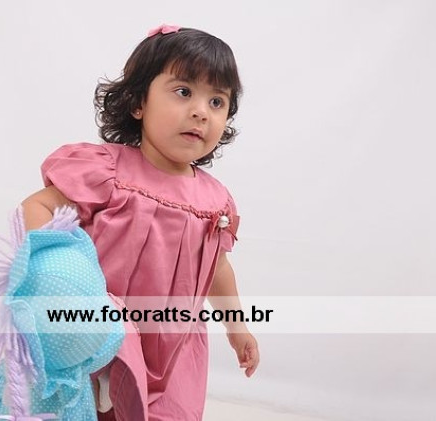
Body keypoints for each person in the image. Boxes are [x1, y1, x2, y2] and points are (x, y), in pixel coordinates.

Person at [21, 24, 259, 421]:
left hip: (174, 349)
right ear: (138, 103)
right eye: (183, 92)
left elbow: (216, 268)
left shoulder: (215, 202)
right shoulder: (108, 172)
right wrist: (56, 278)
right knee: (76, 410)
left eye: (217, 101)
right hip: (98, 331)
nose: (201, 111)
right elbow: (37, 206)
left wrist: (238, 327)